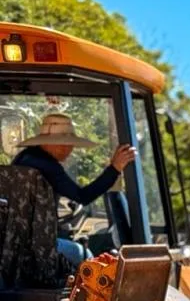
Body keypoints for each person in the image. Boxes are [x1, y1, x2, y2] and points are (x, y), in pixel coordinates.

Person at [12, 113, 136, 268]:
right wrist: (115, 168)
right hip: (38, 244)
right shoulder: (49, 166)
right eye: (67, 144)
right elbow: (82, 196)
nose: (70, 149)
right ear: (56, 144)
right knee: (86, 257)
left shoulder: (23, 158)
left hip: (12, 241)